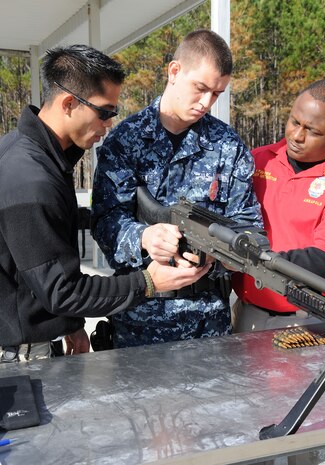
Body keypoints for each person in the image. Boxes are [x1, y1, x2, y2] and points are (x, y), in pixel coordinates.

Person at [0, 44, 211, 363]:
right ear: (69, 103)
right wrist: (149, 282)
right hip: (19, 356)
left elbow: (38, 262)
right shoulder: (31, 180)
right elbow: (63, 291)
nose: (110, 123)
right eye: (105, 112)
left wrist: (66, 324)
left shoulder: (29, 153)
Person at [91, 29, 263, 348]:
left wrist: (231, 253)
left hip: (207, 322)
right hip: (139, 321)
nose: (206, 103)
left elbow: (250, 225)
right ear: (174, 71)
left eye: (217, 94)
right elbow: (104, 222)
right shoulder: (125, 141)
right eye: (200, 88)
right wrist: (144, 237)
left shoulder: (227, 145)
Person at [231, 79, 325, 332]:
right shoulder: (258, 161)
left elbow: (323, 262)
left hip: (307, 320)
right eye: (295, 122)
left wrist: (248, 259)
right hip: (247, 312)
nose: (297, 136)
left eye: (313, 131)